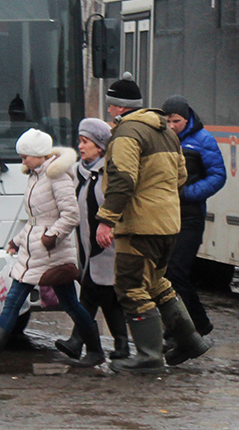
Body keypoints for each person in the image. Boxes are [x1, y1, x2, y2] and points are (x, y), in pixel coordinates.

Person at [0, 129, 105, 371]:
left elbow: (71, 215)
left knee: (38, 301)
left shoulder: (57, 177)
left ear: (39, 155)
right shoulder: (36, 176)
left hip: (51, 251)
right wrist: (17, 240)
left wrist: (52, 236)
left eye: (26, 156)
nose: (22, 161)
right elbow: (35, 219)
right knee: (48, 302)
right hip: (36, 249)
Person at [95, 76, 213, 373]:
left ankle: (149, 356)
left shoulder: (126, 134)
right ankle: (189, 341)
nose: (109, 112)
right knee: (158, 283)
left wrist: (106, 220)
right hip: (169, 223)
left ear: (119, 107)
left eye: (110, 106)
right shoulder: (167, 132)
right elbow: (181, 177)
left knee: (131, 287)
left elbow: (122, 179)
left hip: (139, 225)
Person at [54, 118, 131, 362]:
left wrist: (108, 228)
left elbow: (117, 203)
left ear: (100, 147)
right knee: (107, 297)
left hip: (107, 244)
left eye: (85, 142)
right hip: (86, 244)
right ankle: (121, 346)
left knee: (90, 293)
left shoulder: (108, 173)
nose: (81, 146)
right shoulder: (79, 172)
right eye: (80, 141)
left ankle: (79, 342)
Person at [160, 95, 226, 338]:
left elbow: (218, 175)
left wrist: (189, 193)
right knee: (165, 274)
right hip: (164, 215)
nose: (171, 126)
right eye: (166, 121)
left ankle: (196, 322)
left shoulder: (202, 140)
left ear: (186, 120)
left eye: (176, 121)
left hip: (190, 216)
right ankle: (182, 325)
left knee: (177, 271)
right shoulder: (161, 139)